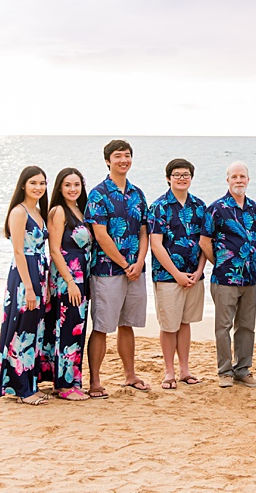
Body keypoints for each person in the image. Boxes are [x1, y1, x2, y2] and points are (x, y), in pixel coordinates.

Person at [85, 139, 150, 396]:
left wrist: (140, 262)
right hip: (107, 270)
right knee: (102, 326)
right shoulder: (98, 193)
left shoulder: (138, 194)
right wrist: (124, 264)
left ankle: (130, 375)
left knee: (127, 324)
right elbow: (100, 234)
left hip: (135, 270)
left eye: (127, 155)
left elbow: (145, 230)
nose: (123, 160)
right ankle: (95, 381)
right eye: (118, 156)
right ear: (107, 161)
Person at [200, 162, 256, 388]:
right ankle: (224, 372)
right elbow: (204, 241)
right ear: (227, 180)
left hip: (251, 278)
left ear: (248, 179)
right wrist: (221, 263)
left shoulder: (255, 209)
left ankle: (242, 370)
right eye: (234, 176)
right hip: (225, 278)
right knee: (223, 327)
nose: (239, 180)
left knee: (246, 326)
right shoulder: (216, 208)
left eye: (242, 176)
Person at [147, 158, 207, 390]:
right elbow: (156, 245)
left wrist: (200, 271)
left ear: (191, 178)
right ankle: (169, 372)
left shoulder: (199, 206)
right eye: (177, 174)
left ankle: (184, 370)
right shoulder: (159, 206)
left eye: (186, 174)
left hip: (194, 276)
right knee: (169, 325)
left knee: (185, 323)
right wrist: (177, 274)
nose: (181, 178)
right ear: (168, 178)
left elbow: (205, 242)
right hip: (167, 276)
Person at [0, 166, 50, 405]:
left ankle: (30, 385)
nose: (38, 187)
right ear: (23, 186)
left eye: (42, 183)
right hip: (24, 274)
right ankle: (20, 389)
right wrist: (28, 287)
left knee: (35, 331)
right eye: (33, 183)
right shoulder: (19, 212)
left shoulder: (38, 211)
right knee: (22, 329)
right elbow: (18, 251)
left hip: (40, 271)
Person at [46, 167, 92, 401]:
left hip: (83, 276)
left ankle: (72, 381)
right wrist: (70, 282)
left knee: (77, 328)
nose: (73, 189)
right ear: (60, 188)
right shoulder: (58, 211)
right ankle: (64, 386)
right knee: (67, 327)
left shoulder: (81, 210)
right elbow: (54, 250)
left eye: (77, 185)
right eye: (68, 185)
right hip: (68, 277)